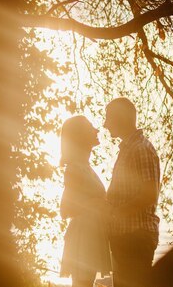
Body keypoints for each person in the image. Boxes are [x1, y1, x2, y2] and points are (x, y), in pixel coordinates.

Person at [104, 97, 161, 287]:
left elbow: (149, 194)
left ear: (122, 118)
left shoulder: (141, 149)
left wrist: (115, 214)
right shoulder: (128, 149)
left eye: (109, 118)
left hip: (135, 239)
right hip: (125, 238)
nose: (105, 124)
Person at [59, 115, 112, 287]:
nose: (96, 130)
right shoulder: (75, 168)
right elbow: (65, 209)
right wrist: (96, 205)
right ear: (81, 135)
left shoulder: (85, 167)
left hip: (93, 235)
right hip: (84, 237)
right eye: (91, 127)